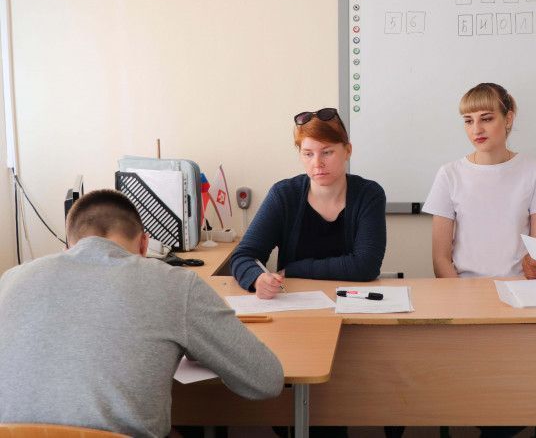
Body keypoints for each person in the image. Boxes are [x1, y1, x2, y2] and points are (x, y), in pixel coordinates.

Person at [0, 189, 284, 438]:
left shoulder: (10, 279)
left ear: (66, 248)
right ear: (145, 245)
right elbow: (266, 379)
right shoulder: (174, 283)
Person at [422, 83, 536, 438]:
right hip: (466, 296)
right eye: (468, 121)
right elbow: (440, 257)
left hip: (520, 298)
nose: (477, 129)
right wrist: (463, 303)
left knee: (514, 386)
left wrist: (531, 274)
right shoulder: (450, 174)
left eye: (486, 118)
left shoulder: (534, 170)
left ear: (508, 118)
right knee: (475, 383)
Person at [230, 107, 386, 299]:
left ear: (347, 151)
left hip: (352, 303)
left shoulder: (369, 195)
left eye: (327, 152)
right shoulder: (284, 195)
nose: (317, 163)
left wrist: (294, 269)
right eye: (308, 154)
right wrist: (257, 278)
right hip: (295, 305)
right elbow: (242, 256)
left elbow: (366, 266)